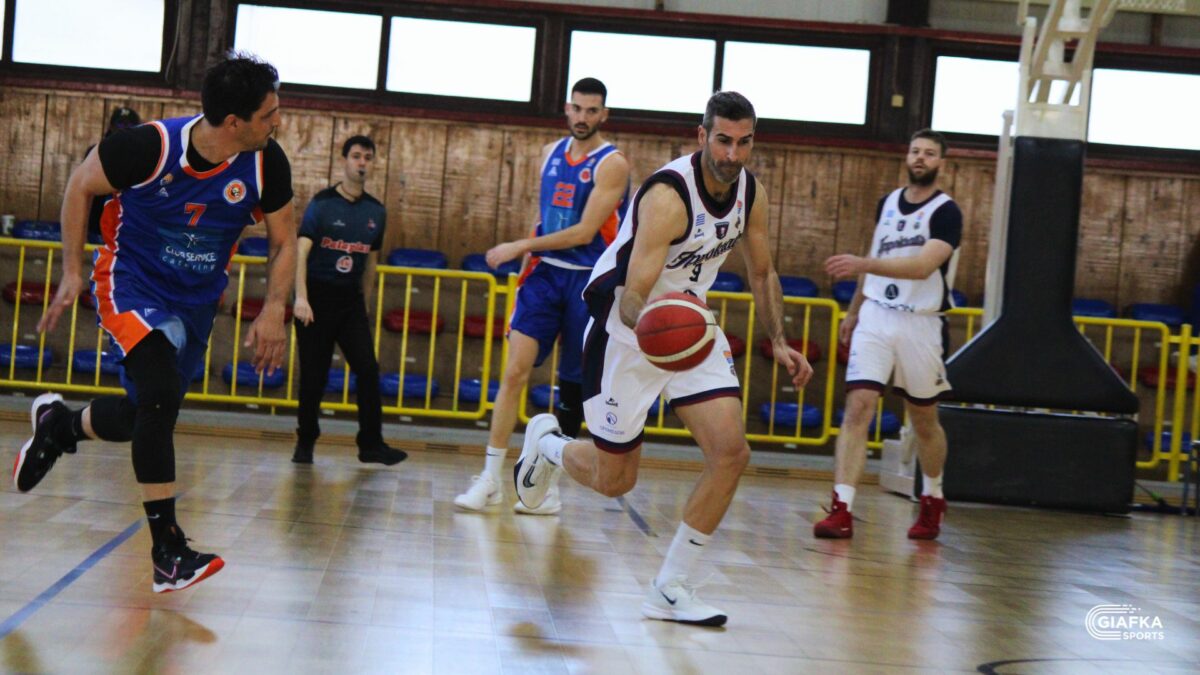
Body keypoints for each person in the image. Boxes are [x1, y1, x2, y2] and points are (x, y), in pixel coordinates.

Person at [513, 91, 813, 626]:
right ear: (702, 136)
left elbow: (762, 272)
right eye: (723, 140)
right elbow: (633, 293)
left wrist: (780, 340)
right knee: (615, 480)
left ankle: (669, 587)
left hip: (688, 324)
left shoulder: (751, 193)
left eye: (744, 142)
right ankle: (550, 446)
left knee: (731, 453)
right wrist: (651, 329)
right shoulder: (668, 196)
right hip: (626, 330)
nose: (733, 154)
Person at [14, 53, 296, 593]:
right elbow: (80, 186)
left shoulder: (266, 162)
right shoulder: (150, 147)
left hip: (196, 301)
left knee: (146, 412)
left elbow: (283, 243)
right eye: (268, 114)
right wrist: (71, 271)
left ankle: (60, 428)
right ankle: (168, 552)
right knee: (161, 395)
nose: (276, 122)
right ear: (233, 122)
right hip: (132, 283)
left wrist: (273, 308)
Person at [454, 77, 629, 514]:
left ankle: (545, 488)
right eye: (577, 108)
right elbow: (548, 216)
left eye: (592, 110)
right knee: (514, 371)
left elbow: (585, 232)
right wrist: (530, 251)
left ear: (604, 115)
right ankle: (490, 478)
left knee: (571, 386)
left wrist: (520, 245)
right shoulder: (551, 153)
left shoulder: (612, 164)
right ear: (567, 108)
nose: (583, 117)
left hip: (587, 279)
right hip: (545, 275)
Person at [815, 128, 962, 541]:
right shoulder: (888, 203)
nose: (920, 158)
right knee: (858, 406)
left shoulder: (947, 212)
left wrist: (862, 265)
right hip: (877, 315)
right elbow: (877, 255)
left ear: (941, 163)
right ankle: (842, 507)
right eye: (915, 151)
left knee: (924, 419)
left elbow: (921, 267)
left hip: (921, 321)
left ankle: (933, 496)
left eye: (929, 153)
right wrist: (854, 310)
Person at [291, 135, 406, 466]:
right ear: (344, 160)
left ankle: (371, 444)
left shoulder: (376, 211)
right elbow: (301, 251)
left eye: (367, 157)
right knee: (314, 376)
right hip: (316, 297)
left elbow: (370, 262)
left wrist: (365, 303)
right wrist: (301, 297)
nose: (361, 163)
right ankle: (305, 441)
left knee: (368, 369)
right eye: (356, 156)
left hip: (350, 301)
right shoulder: (322, 203)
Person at [88, 107, 142, 242]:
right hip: (96, 226)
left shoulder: (144, 157)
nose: (124, 129)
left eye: (130, 125)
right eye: (121, 124)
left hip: (128, 228)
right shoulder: (96, 152)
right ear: (111, 127)